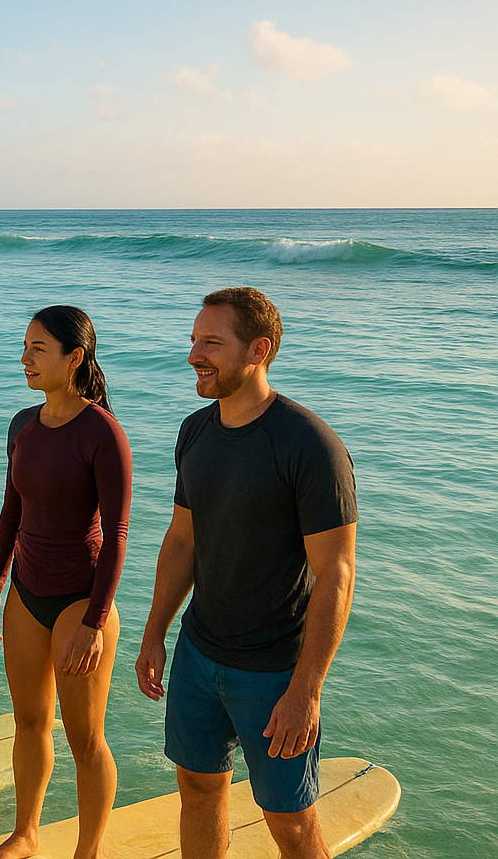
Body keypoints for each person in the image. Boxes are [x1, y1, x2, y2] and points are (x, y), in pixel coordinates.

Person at [135, 287, 357, 859]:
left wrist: (307, 689)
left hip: (274, 672)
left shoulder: (310, 445)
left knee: (290, 821)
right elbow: (183, 538)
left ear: (258, 350)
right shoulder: (195, 431)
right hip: (199, 653)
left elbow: (335, 574)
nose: (193, 355)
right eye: (192, 340)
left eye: (211, 342)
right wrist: (156, 630)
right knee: (198, 790)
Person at [0, 306, 132, 859]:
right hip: (26, 593)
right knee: (29, 722)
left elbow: (116, 536)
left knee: (85, 739)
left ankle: (87, 851)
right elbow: (10, 510)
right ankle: (25, 835)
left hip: (80, 601)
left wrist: (94, 621)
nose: (25, 359)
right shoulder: (22, 423)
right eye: (24, 347)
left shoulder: (102, 433)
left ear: (75, 358)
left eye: (38, 349)